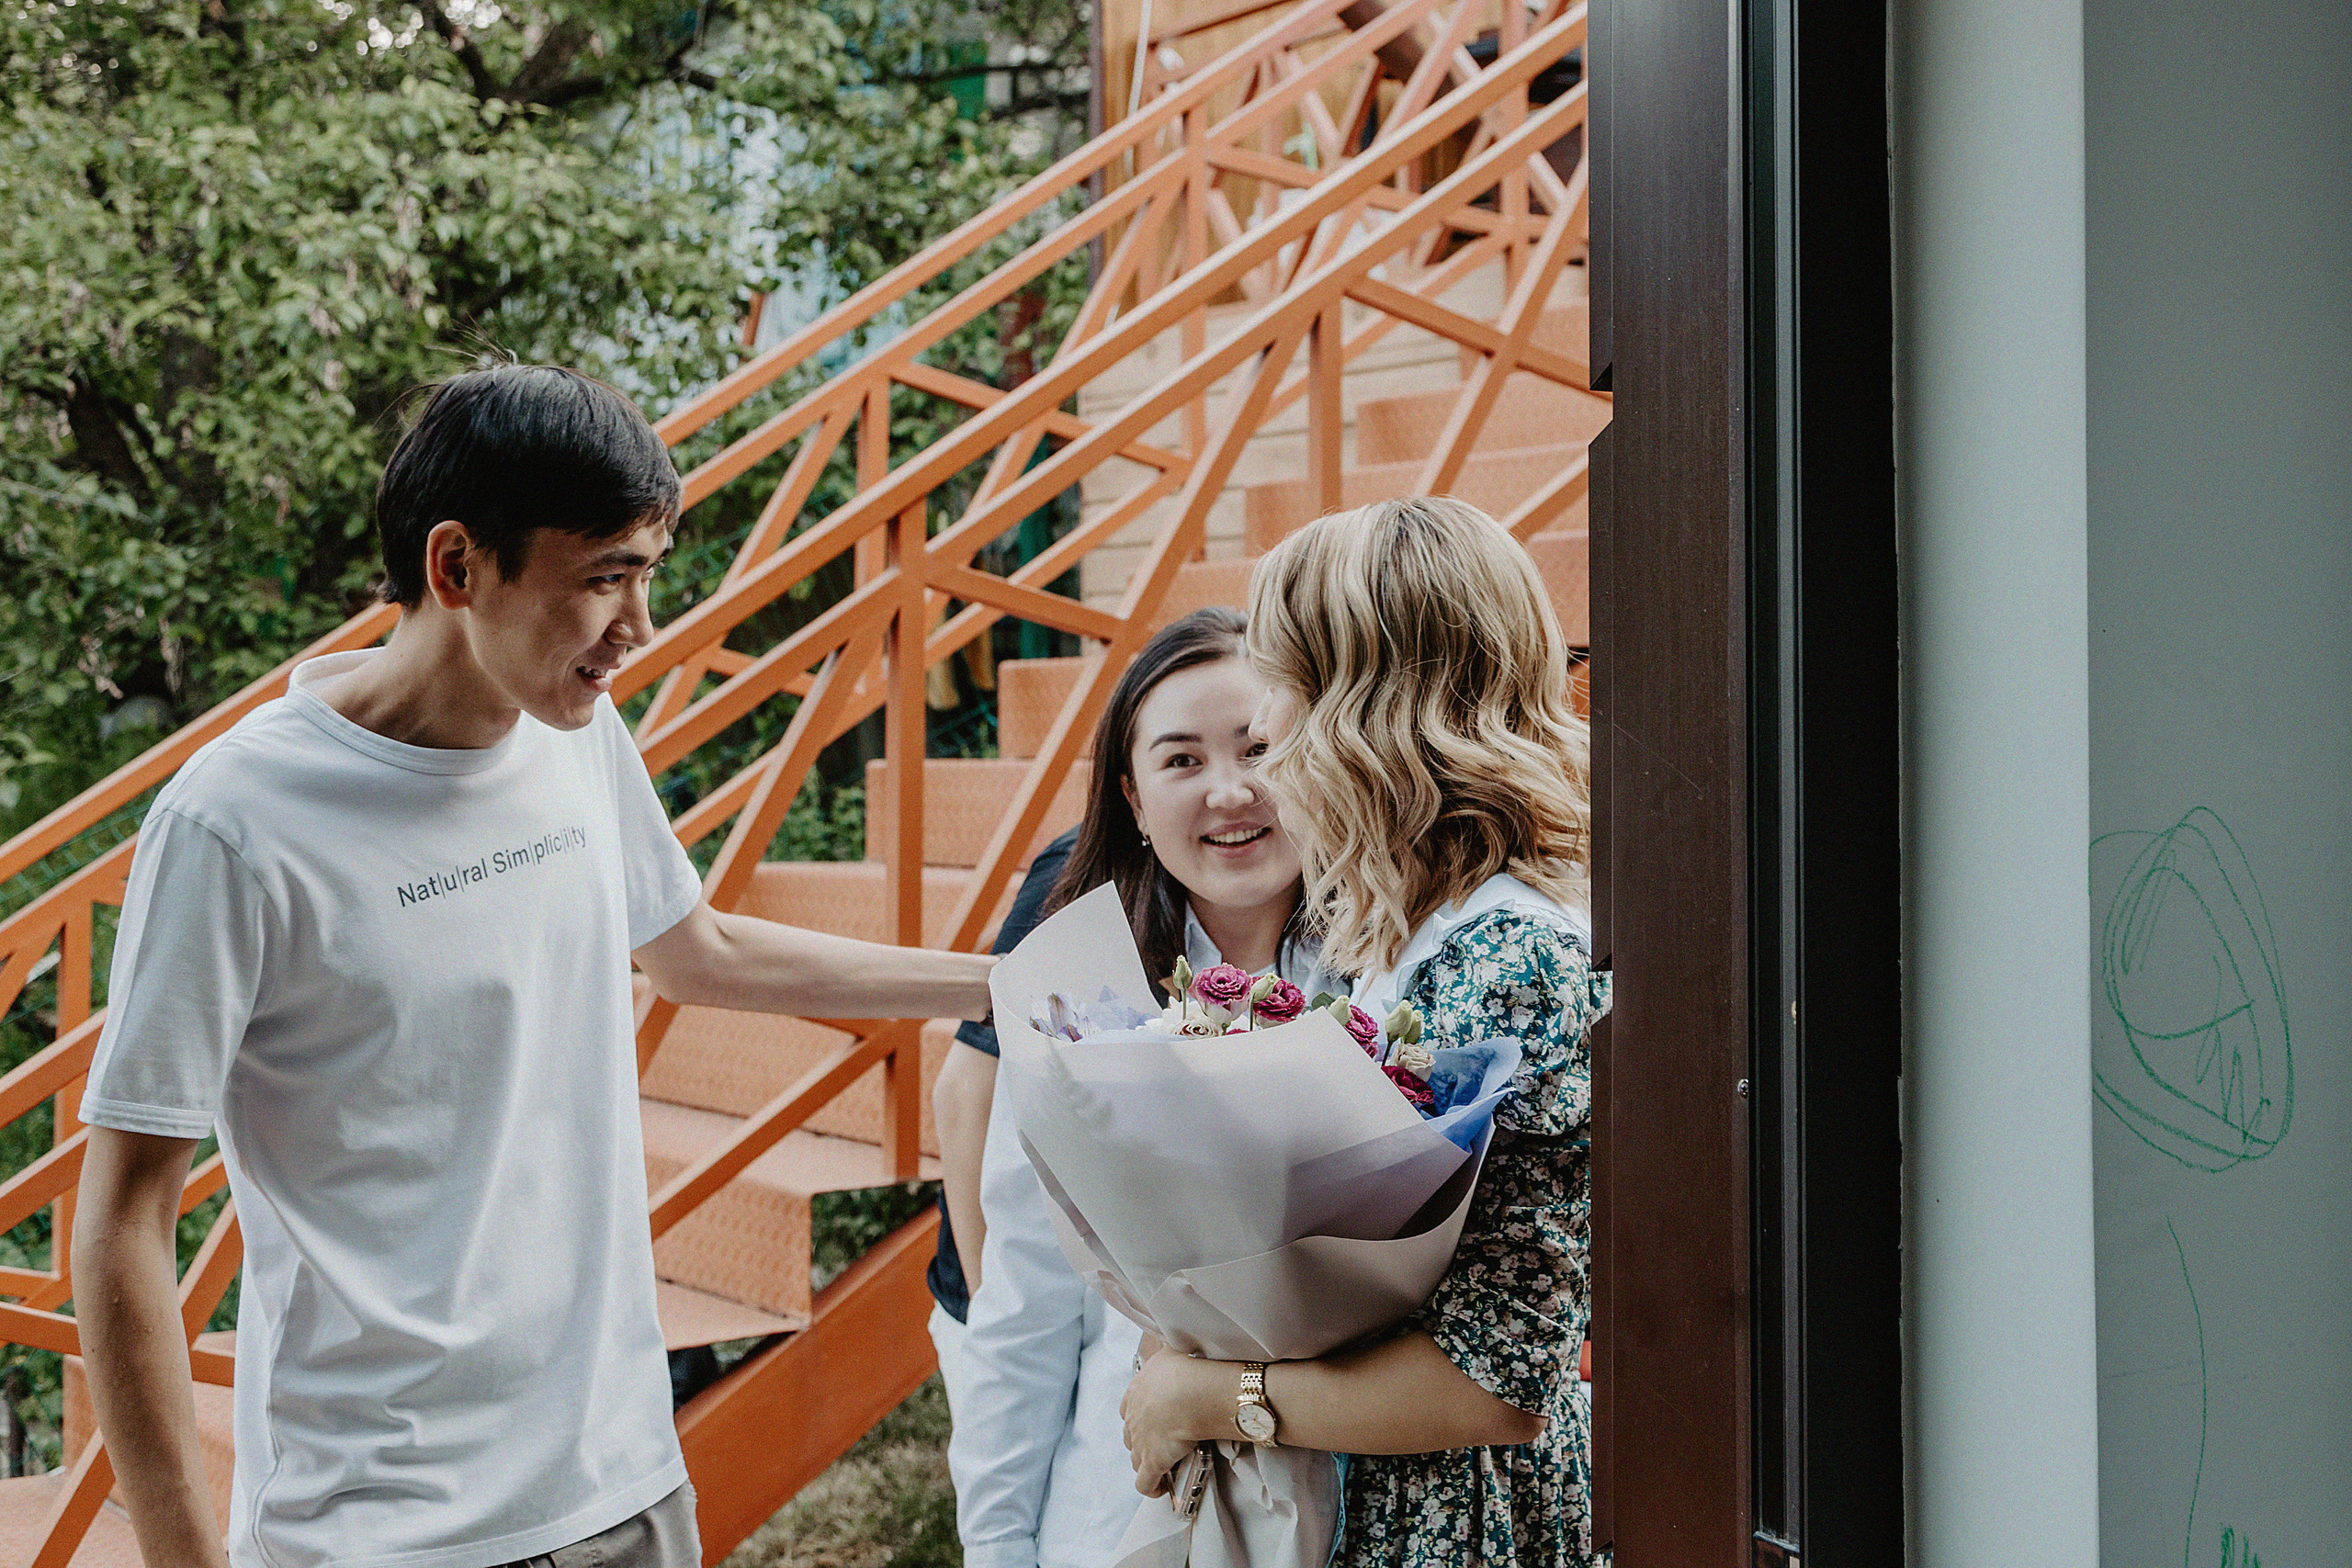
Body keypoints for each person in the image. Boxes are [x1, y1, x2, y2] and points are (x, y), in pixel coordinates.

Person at [71, 365, 997, 1568]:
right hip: (379, 1527)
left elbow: (696, 950)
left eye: (647, 574)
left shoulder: (573, 729)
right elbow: (122, 1219)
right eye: (606, 577)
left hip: (621, 1484)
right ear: (458, 567)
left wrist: (996, 982)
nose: (641, 626)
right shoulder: (236, 821)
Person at [1118, 497, 1608, 1567]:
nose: (1272, 731)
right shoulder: (1399, 936)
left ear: (1361, 707)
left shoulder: (1511, 958)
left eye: (1282, 687)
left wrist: (1208, 1395)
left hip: (1457, 1524)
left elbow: (1497, 1385)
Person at [942, 608, 1343, 1568]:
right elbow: (1026, 1308)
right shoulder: (1075, 996)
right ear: (1128, 795)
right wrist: (997, 1546)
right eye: (1181, 762)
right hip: (1127, 1493)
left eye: (1258, 748)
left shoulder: (1391, 972)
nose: (1231, 791)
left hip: (1366, 1477)